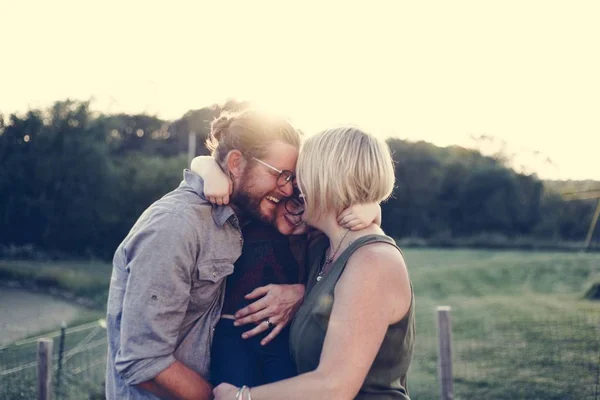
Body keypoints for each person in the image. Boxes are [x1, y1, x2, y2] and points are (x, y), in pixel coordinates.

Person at [105, 109, 305, 400]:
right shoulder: (175, 226)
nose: (287, 189)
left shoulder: (243, 215)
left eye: (292, 178)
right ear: (236, 162)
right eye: (280, 175)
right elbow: (143, 361)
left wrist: (299, 293)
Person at [213, 127, 415, 400]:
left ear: (325, 180)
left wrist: (241, 397)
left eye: (301, 176)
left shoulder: (373, 262)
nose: (293, 188)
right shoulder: (325, 248)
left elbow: (334, 387)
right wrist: (208, 168)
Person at [189, 157, 381, 388]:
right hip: (233, 335)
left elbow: (346, 258)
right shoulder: (253, 214)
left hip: (285, 337)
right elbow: (202, 161)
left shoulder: (316, 236)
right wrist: (211, 172)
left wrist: (373, 207)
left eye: (304, 201)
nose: (296, 211)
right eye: (289, 199)